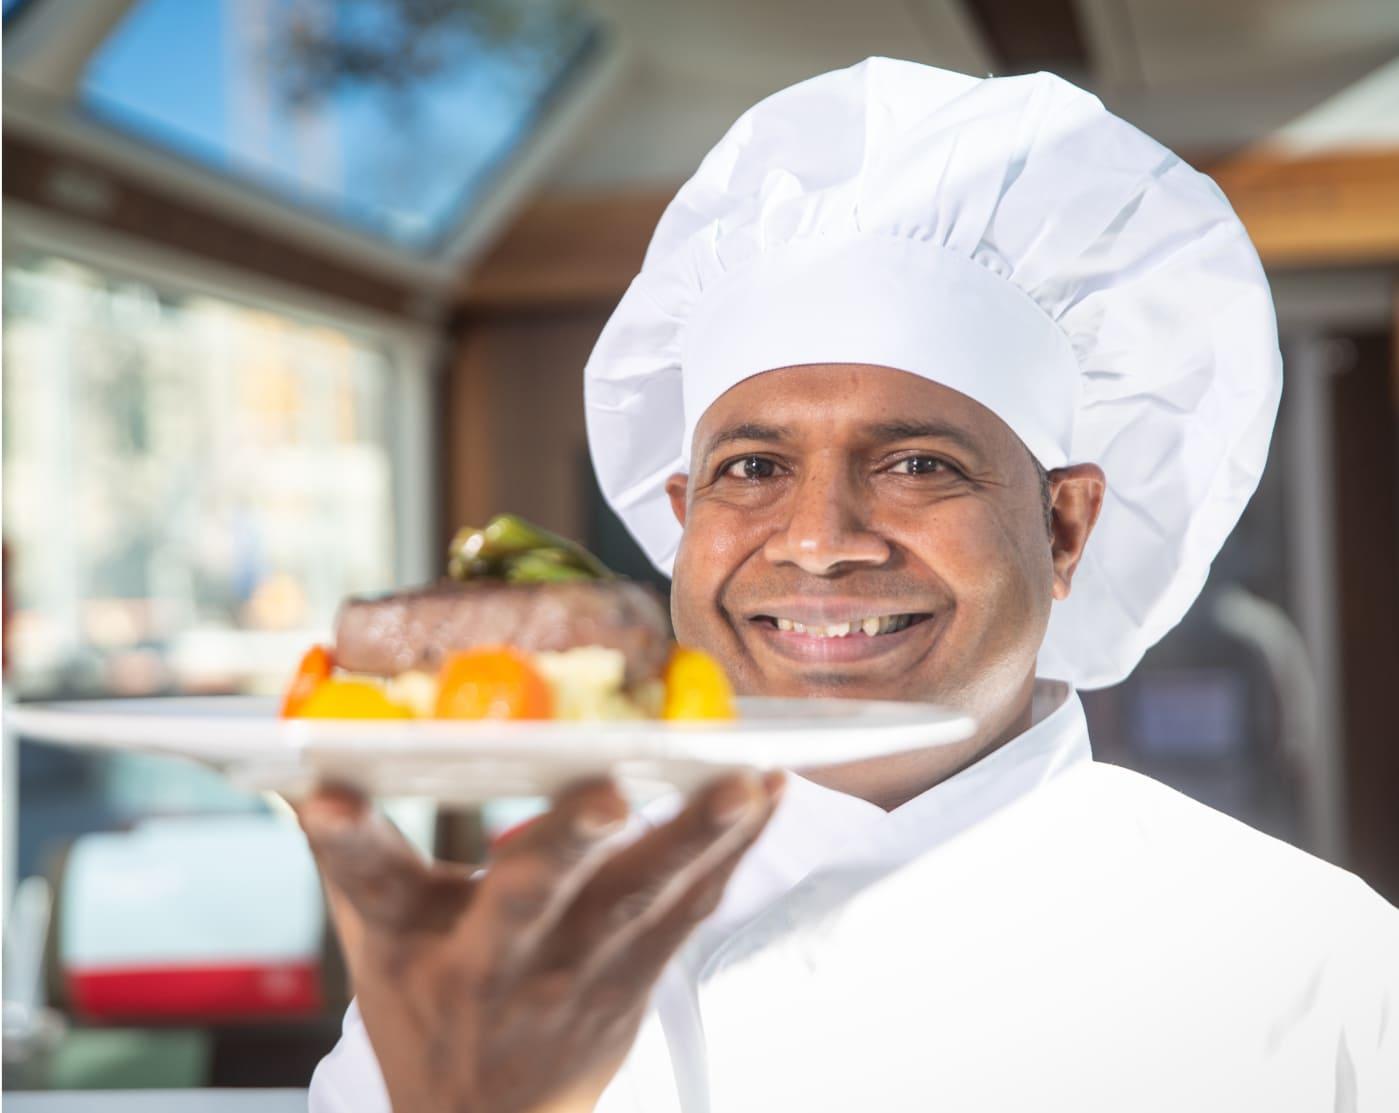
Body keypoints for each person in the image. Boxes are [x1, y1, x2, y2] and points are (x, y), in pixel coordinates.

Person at [304, 58, 1399, 1112]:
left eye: (917, 464)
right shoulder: (494, 963)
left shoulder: (1315, 965)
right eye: (754, 469)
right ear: (684, 521)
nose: (819, 541)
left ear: (1063, 528)